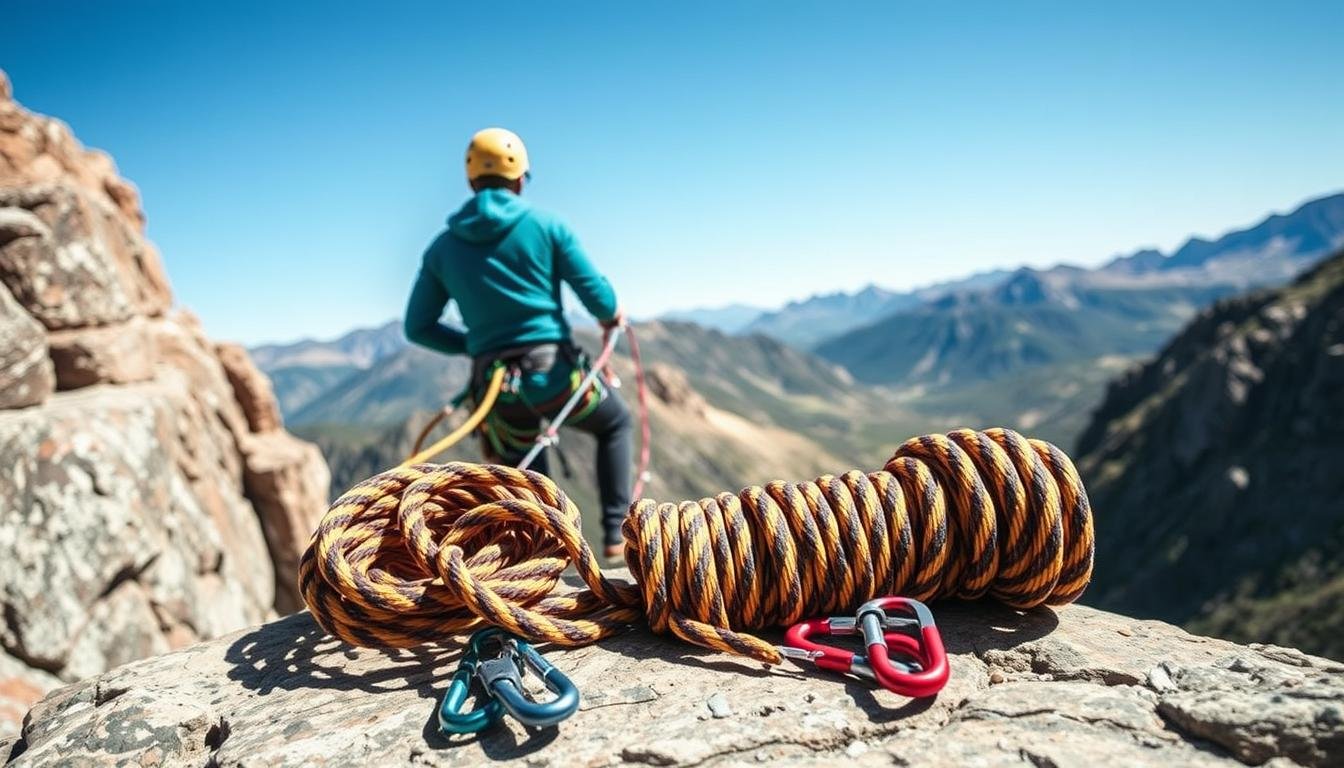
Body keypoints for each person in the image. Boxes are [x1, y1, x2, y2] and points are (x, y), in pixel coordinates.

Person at [404, 127, 632, 558]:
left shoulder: (442, 248)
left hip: (498, 394)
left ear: (471, 181)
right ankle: (616, 532)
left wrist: (475, 345)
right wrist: (611, 314)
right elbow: (598, 297)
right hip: (558, 376)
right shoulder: (547, 226)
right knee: (615, 423)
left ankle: (543, 564)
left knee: (528, 482)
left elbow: (418, 326)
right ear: (521, 178)